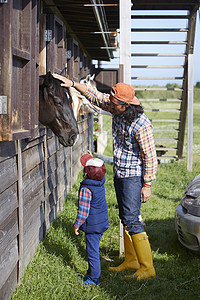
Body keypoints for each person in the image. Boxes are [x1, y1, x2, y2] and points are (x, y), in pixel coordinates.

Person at [53, 73, 158, 281]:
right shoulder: (116, 108)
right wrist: (73, 84)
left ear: (125, 105)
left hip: (133, 177)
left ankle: (147, 268)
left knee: (132, 219)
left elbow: (150, 155)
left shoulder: (142, 124)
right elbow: (94, 95)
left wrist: (147, 183)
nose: (109, 104)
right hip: (120, 173)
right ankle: (131, 261)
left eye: (114, 102)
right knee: (125, 218)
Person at [73, 153, 109, 286]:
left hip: (92, 226)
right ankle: (90, 273)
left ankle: (94, 279)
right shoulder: (99, 183)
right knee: (93, 249)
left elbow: (83, 211)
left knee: (92, 253)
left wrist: (77, 224)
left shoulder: (86, 189)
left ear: (86, 172)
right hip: (101, 222)